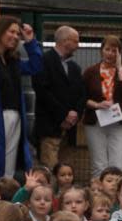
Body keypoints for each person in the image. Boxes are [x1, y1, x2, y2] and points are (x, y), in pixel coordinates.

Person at [0, 16, 42, 181]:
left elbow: (35, 66)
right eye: (11, 32)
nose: (15, 36)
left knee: (10, 164)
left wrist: (30, 42)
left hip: (15, 116)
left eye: (18, 34)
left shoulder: (12, 60)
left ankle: (7, 197)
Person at [82, 35, 122, 176]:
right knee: (98, 163)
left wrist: (119, 67)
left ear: (119, 53)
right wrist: (97, 105)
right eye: (107, 49)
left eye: (114, 51)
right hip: (95, 121)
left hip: (118, 121)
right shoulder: (90, 72)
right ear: (102, 50)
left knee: (117, 163)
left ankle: (117, 192)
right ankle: (99, 194)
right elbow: (81, 98)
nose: (110, 53)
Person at [33, 25, 85, 169]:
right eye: (75, 41)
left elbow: (82, 93)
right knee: (50, 168)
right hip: (50, 127)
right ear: (64, 41)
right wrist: (63, 116)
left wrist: (75, 113)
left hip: (70, 130)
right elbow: (43, 92)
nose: (78, 46)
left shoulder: (75, 67)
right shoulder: (44, 61)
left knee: (67, 170)